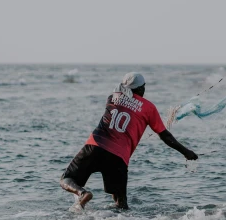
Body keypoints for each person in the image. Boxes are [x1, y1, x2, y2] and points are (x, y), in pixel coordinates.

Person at [60, 72, 197, 210]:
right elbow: (165, 136)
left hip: (94, 146)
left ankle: (82, 193)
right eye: (143, 87)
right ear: (140, 88)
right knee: (121, 203)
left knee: (67, 179)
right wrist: (186, 152)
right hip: (118, 156)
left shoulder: (112, 97)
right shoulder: (148, 108)